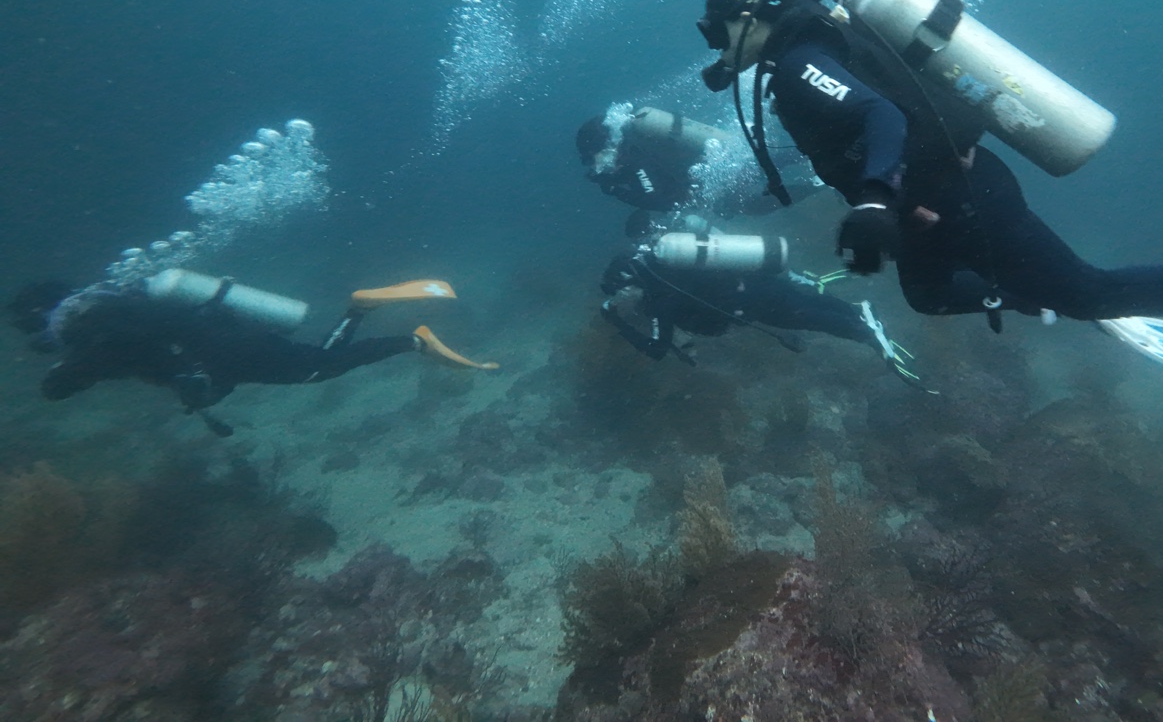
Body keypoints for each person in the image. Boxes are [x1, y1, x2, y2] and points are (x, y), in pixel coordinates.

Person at [694, 0, 1163, 328]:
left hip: (965, 195)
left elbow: (881, 115)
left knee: (1093, 295)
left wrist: (875, 201)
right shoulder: (812, 47)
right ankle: (1032, 297)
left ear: (745, 12)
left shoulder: (803, 61)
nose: (715, 45)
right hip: (932, 200)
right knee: (928, 296)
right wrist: (894, 204)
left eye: (713, 28)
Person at [8, 276, 495, 426]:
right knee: (314, 363)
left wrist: (60, 376)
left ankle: (406, 337)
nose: (45, 342)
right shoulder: (111, 302)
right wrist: (201, 384)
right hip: (223, 338)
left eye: (38, 333)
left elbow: (80, 374)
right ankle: (366, 313)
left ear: (41, 317)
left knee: (315, 370)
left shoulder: (88, 328)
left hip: (219, 349)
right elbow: (156, 342)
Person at [598, 213, 921, 384]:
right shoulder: (664, 267)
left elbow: (656, 350)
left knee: (811, 318)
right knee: (806, 304)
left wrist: (616, 322)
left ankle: (868, 334)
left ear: (629, 281)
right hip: (755, 283)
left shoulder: (659, 297)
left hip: (753, 303)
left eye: (623, 291)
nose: (625, 297)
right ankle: (858, 310)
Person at [577, 105, 817, 219]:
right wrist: (611, 181)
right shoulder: (633, 151)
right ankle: (812, 154)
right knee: (765, 165)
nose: (595, 165)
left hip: (714, 177)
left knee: (752, 202)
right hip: (716, 165)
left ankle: (818, 182)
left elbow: (659, 200)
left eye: (592, 158)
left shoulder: (636, 158)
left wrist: (619, 192)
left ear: (603, 147)